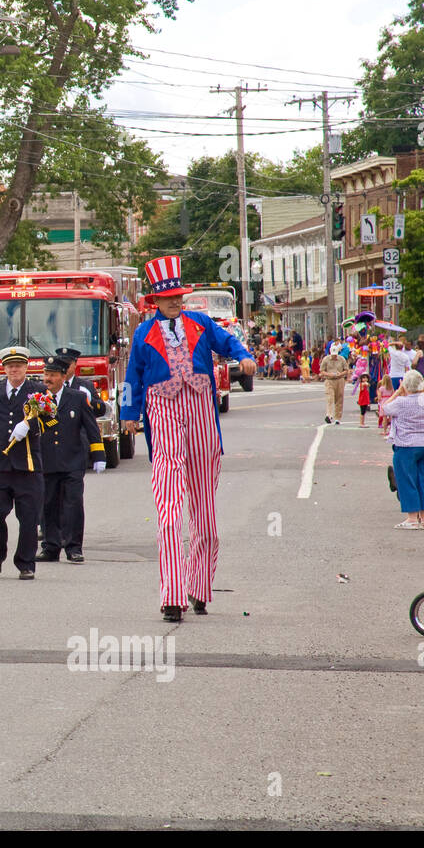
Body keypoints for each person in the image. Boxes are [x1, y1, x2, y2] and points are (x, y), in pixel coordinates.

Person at [121, 256, 255, 622]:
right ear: (156, 302)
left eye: (179, 296)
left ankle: (199, 588)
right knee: (168, 513)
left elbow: (230, 342)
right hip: (162, 411)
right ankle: (172, 596)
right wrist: (129, 415)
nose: (176, 303)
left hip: (200, 413)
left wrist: (245, 357)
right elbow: (132, 377)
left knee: (207, 520)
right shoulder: (142, 334)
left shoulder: (200, 323)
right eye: (169, 298)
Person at [0, 345, 45, 580]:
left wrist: (30, 425)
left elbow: (53, 422)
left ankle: (25, 562)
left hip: (28, 465)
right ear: (4, 368)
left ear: (26, 367)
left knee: (29, 517)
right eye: (10, 366)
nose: (14, 370)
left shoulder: (39, 392)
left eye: (19, 366)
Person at [36, 354, 104, 564]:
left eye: (52, 375)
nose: (47, 379)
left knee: (73, 504)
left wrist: (99, 454)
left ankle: (74, 548)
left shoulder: (76, 398)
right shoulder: (37, 399)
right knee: (48, 505)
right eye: (46, 374)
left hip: (73, 460)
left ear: (63, 377)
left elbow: (91, 427)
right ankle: (50, 547)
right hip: (46, 461)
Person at [383, 370, 424, 529]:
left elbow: (385, 409)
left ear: (405, 385)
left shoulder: (401, 402)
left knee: (407, 480)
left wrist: (397, 392)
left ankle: (412, 518)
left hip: (407, 444)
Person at [319, 345, 350, 424]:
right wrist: (329, 374)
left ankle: (337, 418)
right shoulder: (326, 359)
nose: (334, 356)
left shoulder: (341, 359)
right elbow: (322, 371)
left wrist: (340, 374)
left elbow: (346, 370)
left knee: (339, 399)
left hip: (340, 380)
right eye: (333, 355)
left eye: (335, 355)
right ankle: (329, 415)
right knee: (330, 398)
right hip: (329, 380)